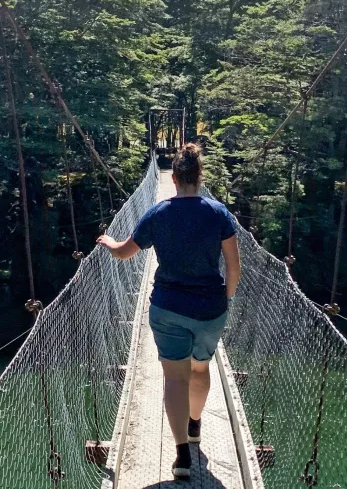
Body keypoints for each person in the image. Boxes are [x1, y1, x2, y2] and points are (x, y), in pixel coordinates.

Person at [96, 143, 241, 480]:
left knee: (175, 379)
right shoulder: (219, 213)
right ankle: (194, 425)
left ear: (173, 178)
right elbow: (234, 268)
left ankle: (181, 456)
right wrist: (226, 301)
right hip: (210, 309)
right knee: (201, 369)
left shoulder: (157, 213)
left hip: (168, 308)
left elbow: (124, 253)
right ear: (199, 178)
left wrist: (108, 242)